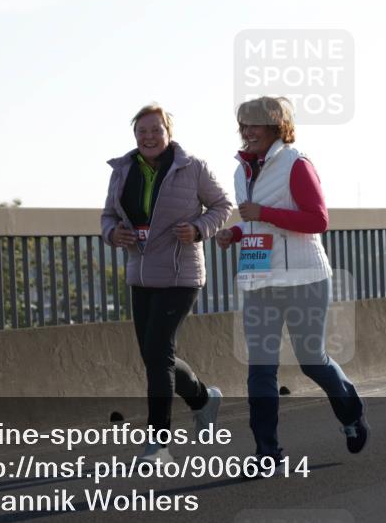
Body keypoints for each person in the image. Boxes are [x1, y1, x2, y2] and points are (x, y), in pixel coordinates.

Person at [216, 97, 368, 464]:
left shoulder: (296, 164)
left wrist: (262, 212)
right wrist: (235, 233)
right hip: (258, 281)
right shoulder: (241, 171)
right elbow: (258, 223)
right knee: (260, 368)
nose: (247, 131)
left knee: (312, 360)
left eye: (254, 124)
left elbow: (318, 220)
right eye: (243, 125)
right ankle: (267, 452)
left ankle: (351, 414)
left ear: (276, 126)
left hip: (304, 279)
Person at [102, 103, 233, 464]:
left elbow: (223, 205)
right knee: (155, 356)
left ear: (168, 133)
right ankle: (203, 399)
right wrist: (114, 234)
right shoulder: (123, 170)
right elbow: (108, 215)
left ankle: (158, 444)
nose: (148, 136)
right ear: (135, 135)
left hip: (181, 274)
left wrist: (198, 229)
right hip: (141, 274)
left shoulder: (192, 168)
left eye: (155, 130)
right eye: (142, 131)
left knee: (159, 352)